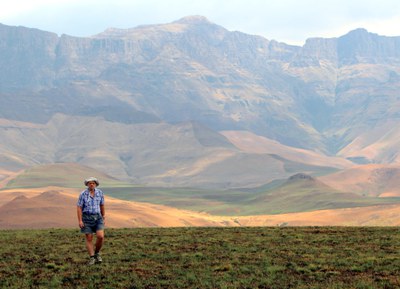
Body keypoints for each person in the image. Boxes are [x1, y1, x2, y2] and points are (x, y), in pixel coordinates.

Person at [77, 177, 106, 265]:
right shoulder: (83, 194)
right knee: (89, 238)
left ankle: (97, 253)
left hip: (98, 217)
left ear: (96, 184)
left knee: (100, 236)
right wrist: (80, 220)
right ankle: (92, 257)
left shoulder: (100, 192)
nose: (91, 184)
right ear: (87, 184)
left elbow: (102, 205)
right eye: (89, 183)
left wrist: (103, 215)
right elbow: (79, 207)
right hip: (87, 217)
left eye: (93, 183)